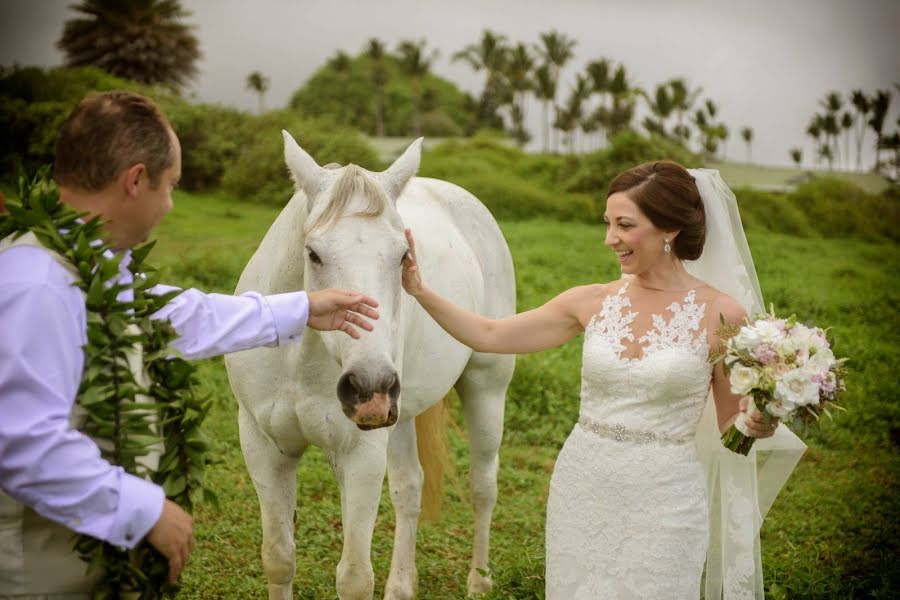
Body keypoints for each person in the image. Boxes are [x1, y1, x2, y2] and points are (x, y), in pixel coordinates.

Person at [0, 91, 380, 596]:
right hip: (33, 576)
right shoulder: (36, 285)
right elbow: (22, 444)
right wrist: (144, 508)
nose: (172, 205)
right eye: (171, 186)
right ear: (136, 181)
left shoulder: (83, 269)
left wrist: (304, 308)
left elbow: (175, 314)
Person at [402, 160, 802, 598]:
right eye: (608, 223)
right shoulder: (590, 301)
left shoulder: (721, 314)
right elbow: (489, 333)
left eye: (624, 225)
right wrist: (420, 289)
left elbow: (731, 428)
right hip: (583, 487)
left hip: (666, 500)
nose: (610, 238)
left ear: (669, 230)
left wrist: (756, 423)